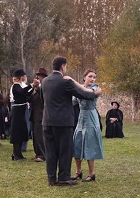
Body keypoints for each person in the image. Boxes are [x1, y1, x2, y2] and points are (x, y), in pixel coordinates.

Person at [41, 56, 101, 186]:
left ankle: (51, 179)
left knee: (50, 151)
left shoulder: (45, 81)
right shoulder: (65, 82)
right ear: (63, 66)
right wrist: (95, 93)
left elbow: (43, 100)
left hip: (47, 121)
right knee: (64, 150)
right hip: (63, 122)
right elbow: (85, 94)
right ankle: (63, 178)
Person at [69, 69, 104, 182]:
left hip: (91, 117)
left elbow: (88, 94)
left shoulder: (95, 88)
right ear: (84, 77)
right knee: (77, 143)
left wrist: (73, 83)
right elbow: (73, 101)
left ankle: (91, 173)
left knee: (90, 144)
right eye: (90, 76)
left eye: (94, 77)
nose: (92, 79)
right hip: (81, 117)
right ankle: (78, 171)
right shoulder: (79, 89)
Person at [9, 69, 36, 160]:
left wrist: (32, 89)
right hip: (17, 110)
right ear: (20, 77)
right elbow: (22, 92)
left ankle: (17, 152)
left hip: (21, 110)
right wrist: (31, 85)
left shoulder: (20, 86)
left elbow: (26, 94)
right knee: (17, 132)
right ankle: (16, 153)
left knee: (21, 131)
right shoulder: (16, 85)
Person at [29, 68, 48, 162]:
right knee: (35, 136)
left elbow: (45, 98)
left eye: (39, 76)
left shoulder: (45, 87)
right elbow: (29, 98)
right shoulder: (34, 88)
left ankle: (42, 155)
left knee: (40, 136)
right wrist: (32, 88)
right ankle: (37, 153)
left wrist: (37, 88)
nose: (37, 77)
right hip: (34, 114)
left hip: (41, 114)